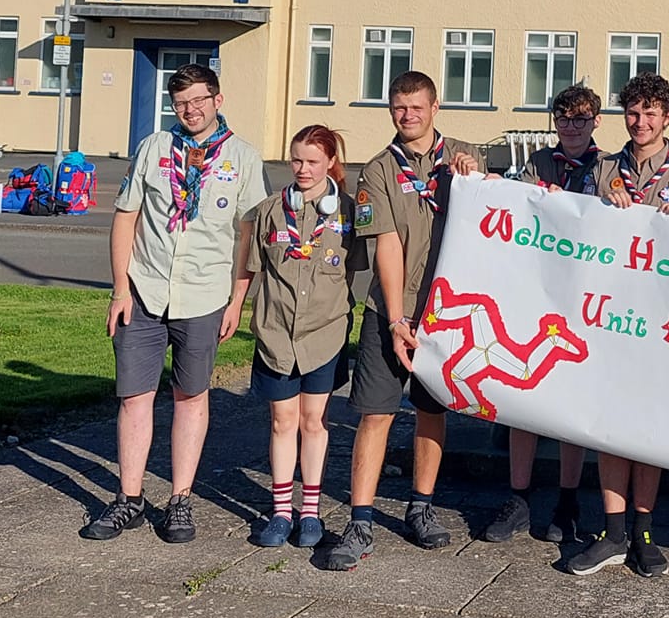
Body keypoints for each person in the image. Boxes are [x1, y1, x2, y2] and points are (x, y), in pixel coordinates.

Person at [83, 63, 266, 545]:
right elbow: (126, 217)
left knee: (191, 396)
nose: (191, 110)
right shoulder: (154, 148)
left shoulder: (243, 157)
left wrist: (237, 300)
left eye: (199, 100)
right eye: (181, 102)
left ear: (218, 100)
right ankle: (129, 498)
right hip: (144, 290)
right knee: (134, 397)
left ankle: (180, 499)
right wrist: (119, 289)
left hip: (205, 294)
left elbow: (249, 236)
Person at [316, 71, 481, 569]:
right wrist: (395, 320)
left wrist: (476, 179)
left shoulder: (465, 157)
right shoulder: (379, 169)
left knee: (432, 411)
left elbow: (489, 223)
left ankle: (421, 508)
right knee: (376, 412)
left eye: (416, 107)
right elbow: (385, 245)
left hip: (446, 309)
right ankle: (360, 520)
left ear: (435, 107)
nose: (407, 116)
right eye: (398, 108)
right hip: (390, 309)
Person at [570, 71, 669, 577]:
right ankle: (612, 531)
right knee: (610, 425)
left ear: (667, 117)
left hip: (663, 322)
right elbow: (579, 234)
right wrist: (603, 210)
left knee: (649, 428)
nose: (640, 122)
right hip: (610, 317)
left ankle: (644, 530)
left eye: (650, 114)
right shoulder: (602, 170)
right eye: (633, 113)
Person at [482, 83, 605, 548]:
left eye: (581, 119)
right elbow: (514, 210)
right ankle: (518, 497)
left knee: (569, 400)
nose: (571, 127)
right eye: (563, 119)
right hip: (535, 291)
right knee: (523, 396)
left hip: (582, 296)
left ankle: (568, 501)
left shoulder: (608, 168)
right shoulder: (536, 164)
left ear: (596, 122)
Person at [227, 125, 354, 549]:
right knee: (282, 421)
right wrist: (235, 305)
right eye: (296, 159)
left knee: (314, 421)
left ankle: (311, 511)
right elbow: (249, 265)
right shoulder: (269, 210)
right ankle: (282, 511)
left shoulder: (348, 212)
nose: (303, 169)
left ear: (331, 163)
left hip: (325, 332)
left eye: (313, 161)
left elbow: (357, 266)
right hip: (277, 332)